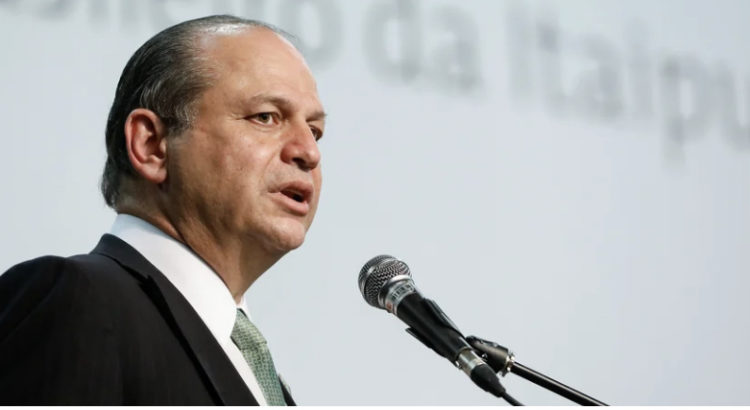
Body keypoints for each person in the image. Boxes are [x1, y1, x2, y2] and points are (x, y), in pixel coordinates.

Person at [0, 14, 325, 405]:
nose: (309, 152)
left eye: (315, 131)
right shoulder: (79, 302)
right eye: (265, 117)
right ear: (151, 145)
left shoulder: (254, 367)